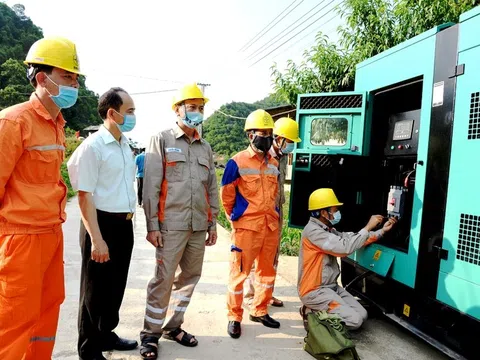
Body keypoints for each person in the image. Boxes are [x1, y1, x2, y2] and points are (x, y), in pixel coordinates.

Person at [0, 36, 81, 360]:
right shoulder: (13, 122)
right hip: (20, 237)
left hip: (50, 231)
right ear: (41, 78)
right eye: (67, 77)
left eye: (75, 78)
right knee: (13, 320)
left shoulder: (57, 124)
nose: (74, 84)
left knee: (47, 312)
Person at [139, 83, 219, 360]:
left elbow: (211, 188)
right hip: (170, 225)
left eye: (201, 108)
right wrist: (152, 225)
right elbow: (150, 185)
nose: (197, 112)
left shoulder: (205, 147)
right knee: (163, 279)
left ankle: (174, 327)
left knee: (189, 279)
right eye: (192, 107)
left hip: (198, 225)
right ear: (177, 109)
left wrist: (212, 223)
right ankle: (150, 334)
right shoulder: (162, 139)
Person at [67, 87, 138, 360]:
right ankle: (89, 348)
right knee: (94, 291)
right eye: (129, 111)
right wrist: (97, 239)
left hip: (124, 224)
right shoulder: (93, 146)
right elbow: (84, 196)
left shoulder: (123, 145)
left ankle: (107, 333)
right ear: (112, 113)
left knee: (115, 285)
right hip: (101, 223)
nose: (133, 116)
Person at [298, 188, 397, 330]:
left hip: (331, 288)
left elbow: (351, 239)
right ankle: (310, 312)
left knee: (362, 315)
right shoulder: (313, 232)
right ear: (323, 213)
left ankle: (318, 310)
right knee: (355, 321)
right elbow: (344, 248)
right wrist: (368, 227)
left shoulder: (328, 229)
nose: (337, 213)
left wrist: (381, 231)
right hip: (314, 291)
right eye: (334, 209)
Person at [221, 109, 282, 339]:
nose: (266, 137)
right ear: (250, 135)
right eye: (262, 133)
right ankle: (234, 316)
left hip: (270, 227)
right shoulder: (236, 162)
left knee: (267, 273)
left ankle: (259, 309)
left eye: (269, 133)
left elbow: (274, 193)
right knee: (239, 274)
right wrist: (234, 217)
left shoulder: (274, 162)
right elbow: (226, 194)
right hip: (247, 228)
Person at [244, 117, 301, 308]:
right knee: (255, 255)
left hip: (276, 210)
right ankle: (251, 296)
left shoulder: (282, 157)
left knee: (272, 255)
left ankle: (266, 294)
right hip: (259, 211)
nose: (291, 146)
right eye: (290, 142)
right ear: (279, 139)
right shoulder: (263, 156)